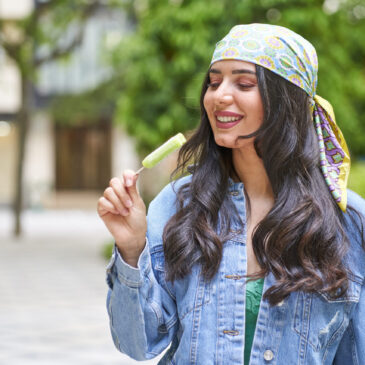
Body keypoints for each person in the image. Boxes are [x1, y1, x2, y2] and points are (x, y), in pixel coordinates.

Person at [97, 23, 365, 364]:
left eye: (244, 83)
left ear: (286, 100)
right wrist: (132, 248)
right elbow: (139, 343)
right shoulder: (180, 203)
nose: (219, 95)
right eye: (213, 81)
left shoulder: (347, 222)